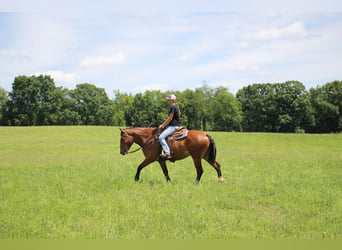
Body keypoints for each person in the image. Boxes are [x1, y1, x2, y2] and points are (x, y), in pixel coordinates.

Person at [158, 94, 181, 160]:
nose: (167, 101)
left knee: (161, 137)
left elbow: (170, 118)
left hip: (173, 126)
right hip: (174, 125)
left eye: (168, 100)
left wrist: (163, 125)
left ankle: (167, 153)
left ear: (172, 100)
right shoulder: (175, 106)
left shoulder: (173, 107)